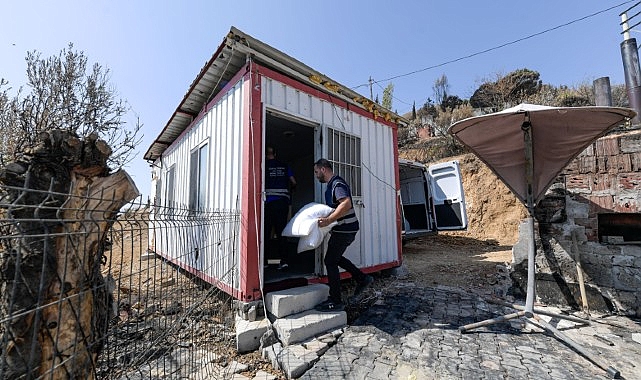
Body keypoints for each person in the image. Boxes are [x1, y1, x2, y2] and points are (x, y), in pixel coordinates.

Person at [313, 158, 373, 312]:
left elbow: (346, 204)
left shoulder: (336, 184)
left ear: (323, 169)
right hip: (345, 229)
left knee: (330, 261)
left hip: (345, 229)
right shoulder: (331, 185)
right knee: (336, 258)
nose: (315, 175)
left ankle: (335, 300)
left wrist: (328, 221)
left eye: (316, 171)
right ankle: (362, 278)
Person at [264, 146, 296, 270]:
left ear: (266, 155)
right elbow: (294, 182)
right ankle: (284, 261)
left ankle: (265, 262)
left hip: (269, 204)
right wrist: (291, 190)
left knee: (267, 233)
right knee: (281, 232)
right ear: (275, 154)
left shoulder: (264, 166)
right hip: (282, 203)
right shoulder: (285, 166)